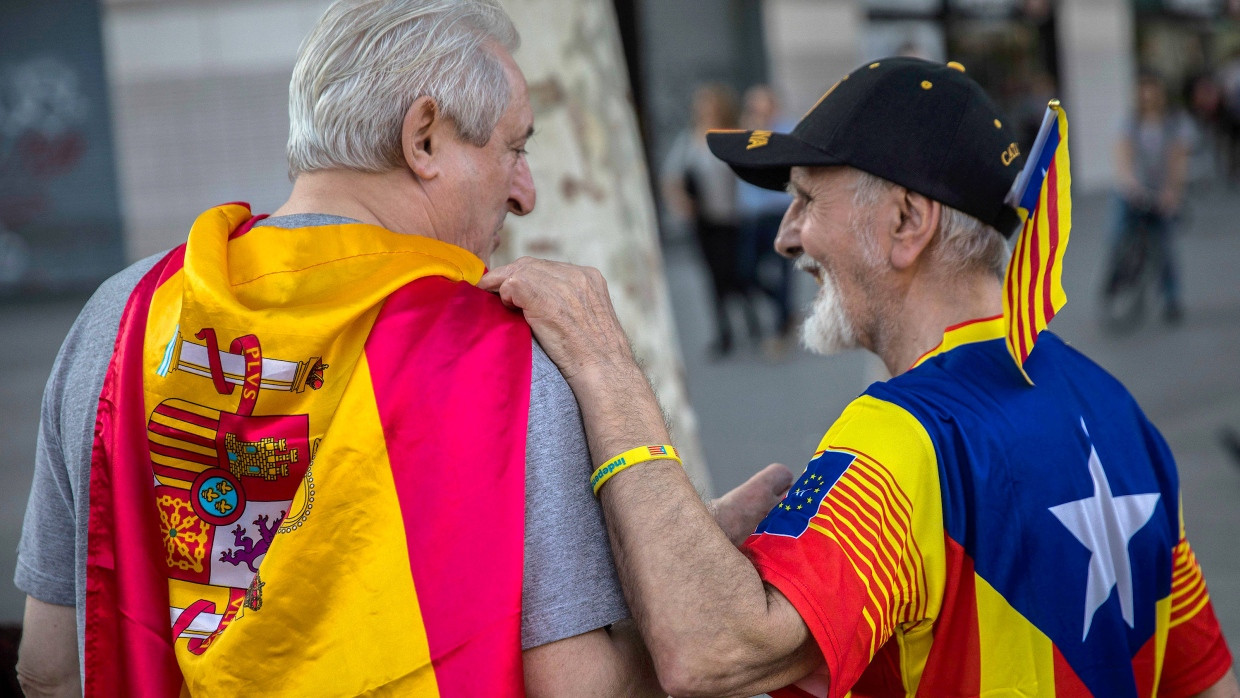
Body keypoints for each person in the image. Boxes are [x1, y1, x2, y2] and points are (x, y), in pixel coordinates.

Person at [12, 1, 777, 695]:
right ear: (424, 138)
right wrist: (690, 602)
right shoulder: (504, 358)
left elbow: (51, 669)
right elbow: (574, 687)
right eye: (515, 148)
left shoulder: (118, 319)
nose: (526, 191)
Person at [482, 57, 1239, 697]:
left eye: (807, 200)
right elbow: (1203, 678)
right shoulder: (1110, 402)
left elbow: (711, 649)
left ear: (907, 223)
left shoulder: (906, 436)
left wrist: (606, 363)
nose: (785, 237)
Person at [662, 82, 760, 357]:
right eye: (699, 103)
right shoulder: (690, 139)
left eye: (708, 102)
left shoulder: (733, 135)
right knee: (714, 278)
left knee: (736, 273)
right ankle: (724, 333)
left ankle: (751, 318)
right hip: (705, 221)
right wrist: (681, 201)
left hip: (736, 218)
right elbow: (671, 177)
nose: (702, 108)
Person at [1104, 68, 1194, 325]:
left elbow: (1178, 161)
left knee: (1165, 246)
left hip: (1161, 191)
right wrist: (1132, 187)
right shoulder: (1128, 123)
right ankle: (1115, 286)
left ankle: (1171, 297)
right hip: (1133, 191)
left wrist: (1172, 193)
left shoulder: (1175, 123)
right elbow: (1123, 161)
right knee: (1117, 236)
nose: (1148, 95)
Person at [735, 85, 796, 355]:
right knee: (746, 272)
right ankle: (785, 310)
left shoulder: (786, 130)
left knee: (782, 272)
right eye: (752, 105)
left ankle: (782, 326)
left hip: (779, 210)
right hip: (752, 213)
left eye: (760, 104)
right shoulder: (745, 133)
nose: (756, 110)